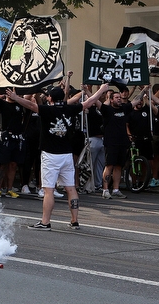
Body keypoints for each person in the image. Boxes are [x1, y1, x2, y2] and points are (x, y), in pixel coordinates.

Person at [7, 81, 108, 230]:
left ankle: (45, 222)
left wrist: (15, 97)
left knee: (49, 190)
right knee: (71, 188)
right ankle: (74, 221)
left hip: (50, 155)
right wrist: (101, 90)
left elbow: (30, 106)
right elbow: (88, 102)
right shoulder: (69, 109)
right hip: (67, 155)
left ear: (50, 99)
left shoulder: (47, 110)